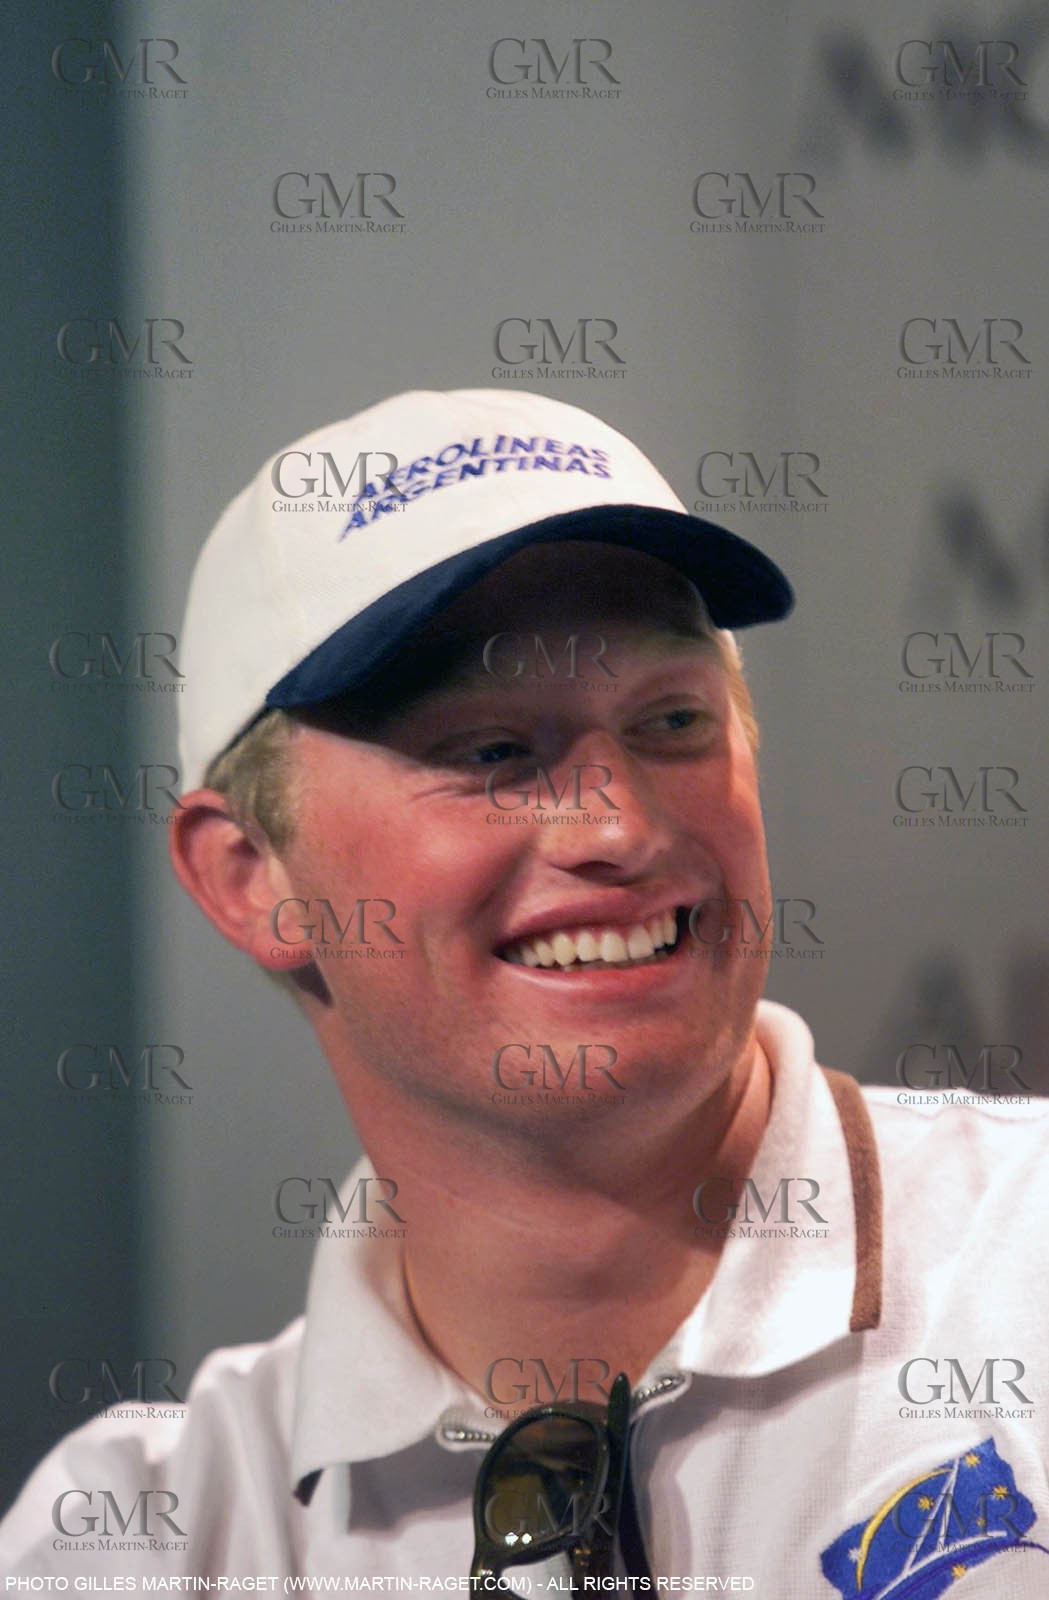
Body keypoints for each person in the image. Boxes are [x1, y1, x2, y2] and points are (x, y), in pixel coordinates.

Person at [3, 389, 1048, 1597]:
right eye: (488, 749)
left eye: (670, 721)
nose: (614, 824)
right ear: (251, 877)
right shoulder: (143, 1541)